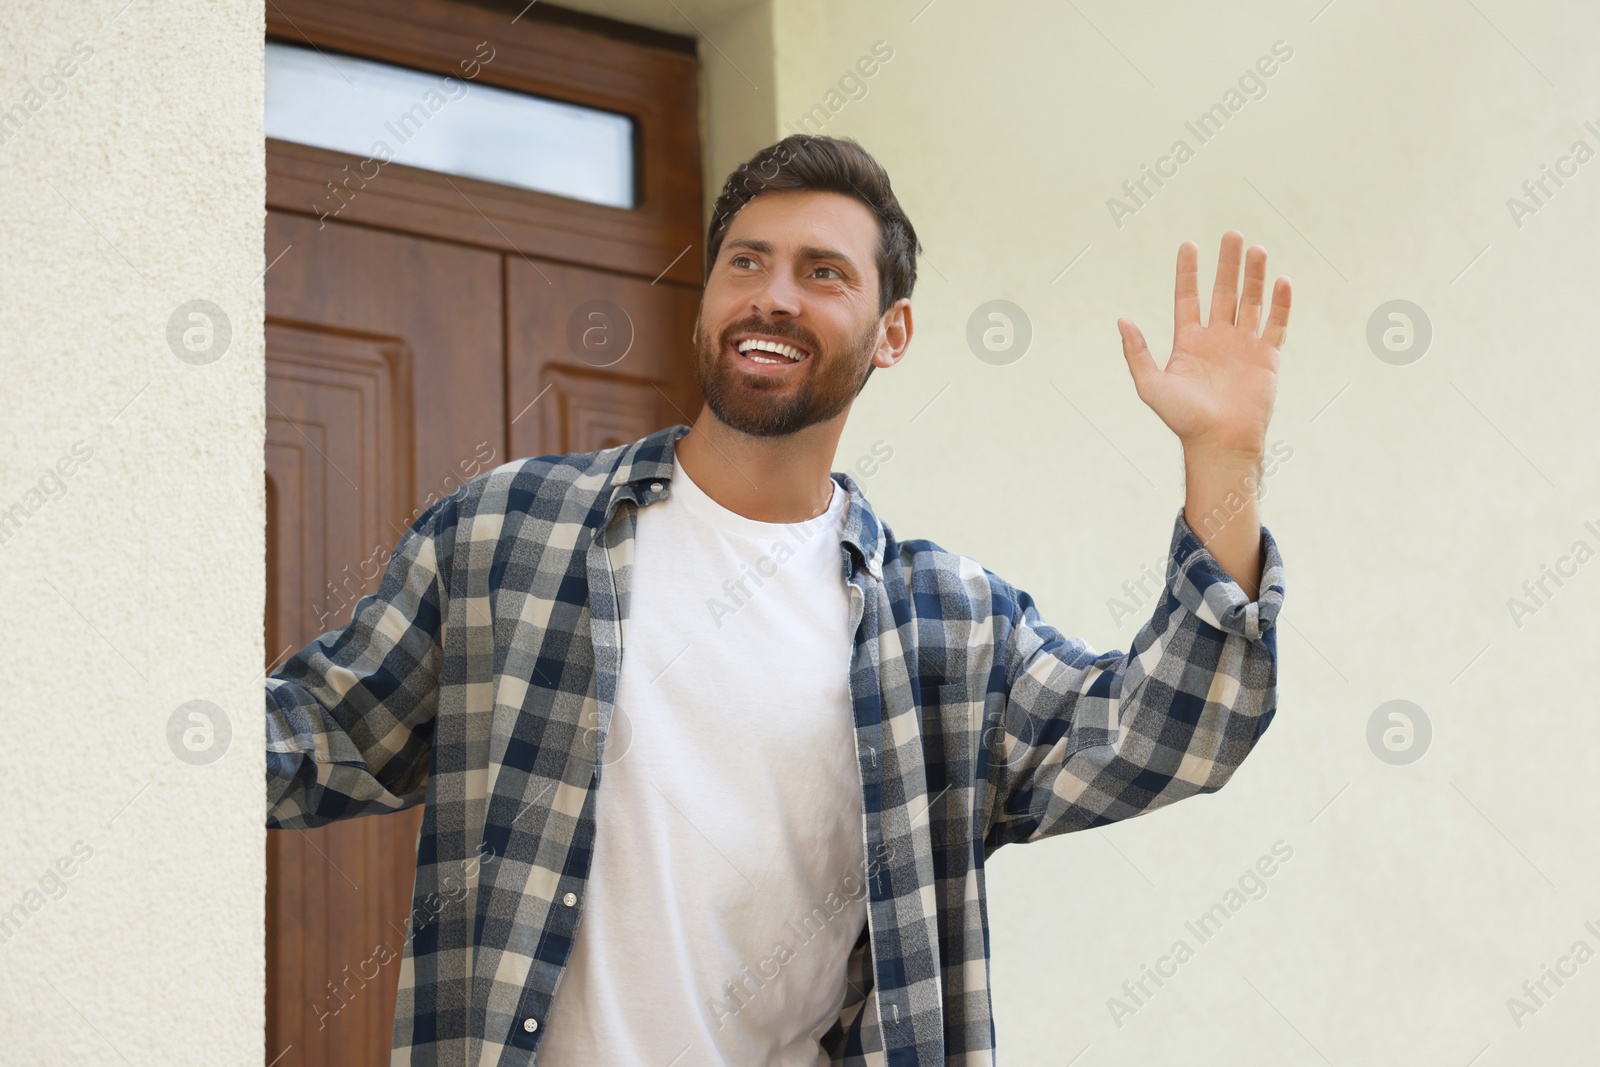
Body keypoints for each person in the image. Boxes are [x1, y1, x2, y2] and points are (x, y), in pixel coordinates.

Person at [266, 133, 1291, 1066]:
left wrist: (1222, 459)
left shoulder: (948, 626)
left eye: (822, 273)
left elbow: (1172, 733)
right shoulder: (507, 534)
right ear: (706, 297)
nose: (772, 296)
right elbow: (317, 733)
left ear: (892, 333)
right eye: (745, 261)